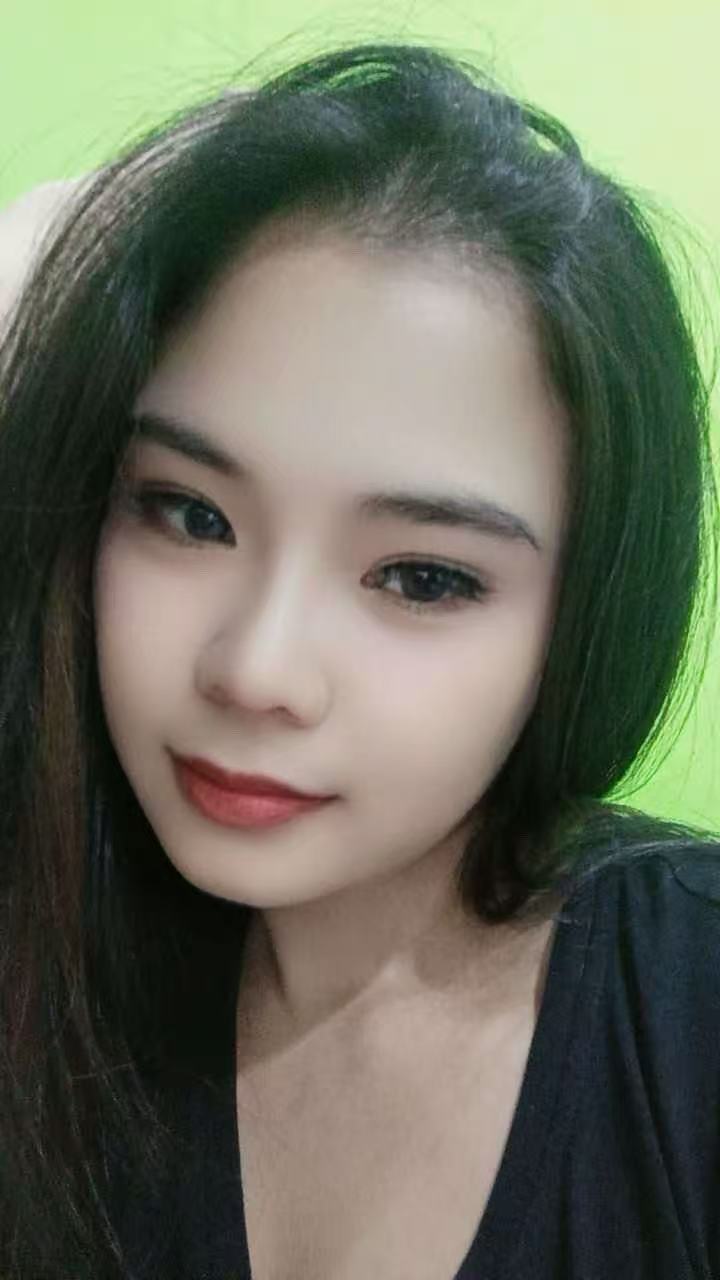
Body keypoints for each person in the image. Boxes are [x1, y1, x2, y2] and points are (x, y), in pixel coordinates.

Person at [0, 40, 719, 1280]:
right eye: (187, 512)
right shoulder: (50, 960)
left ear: (582, 611)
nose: (257, 670)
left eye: (422, 577)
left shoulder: (689, 1009)